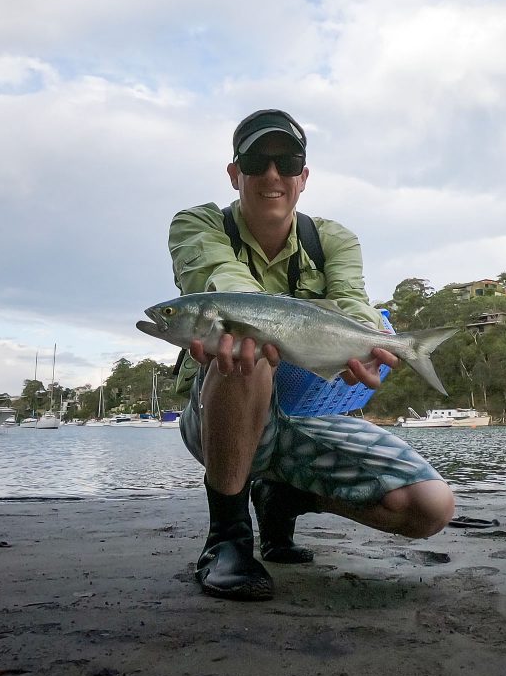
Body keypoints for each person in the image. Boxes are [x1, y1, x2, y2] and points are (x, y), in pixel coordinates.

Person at [168, 109, 455, 601]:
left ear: (304, 176)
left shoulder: (334, 239)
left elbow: (352, 302)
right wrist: (249, 324)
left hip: (305, 415)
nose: (272, 174)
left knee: (429, 507)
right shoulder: (196, 224)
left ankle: (282, 497)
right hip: (219, 414)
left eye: (287, 161)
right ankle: (228, 540)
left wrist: (372, 343)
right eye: (257, 161)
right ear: (235, 173)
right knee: (245, 352)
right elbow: (222, 278)